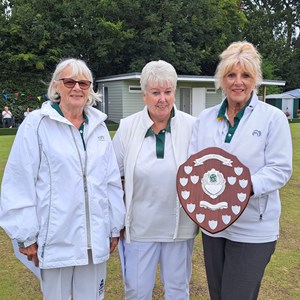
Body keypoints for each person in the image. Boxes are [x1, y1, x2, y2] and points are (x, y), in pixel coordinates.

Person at [0, 58, 126, 300]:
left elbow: (110, 182)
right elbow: (19, 180)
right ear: (56, 86)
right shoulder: (36, 124)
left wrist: (113, 227)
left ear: (90, 89)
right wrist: (25, 234)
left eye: (83, 83)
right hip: (56, 240)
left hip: (94, 242)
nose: (77, 88)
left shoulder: (98, 128)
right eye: (69, 82)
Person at [188, 41, 293, 300]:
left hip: (253, 227)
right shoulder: (205, 119)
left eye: (245, 75)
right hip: (214, 225)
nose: (238, 82)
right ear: (221, 79)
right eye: (231, 75)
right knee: (218, 294)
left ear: (255, 80)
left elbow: (280, 169)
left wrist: (241, 188)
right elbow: (193, 164)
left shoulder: (272, 118)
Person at [112, 60, 198, 300]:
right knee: (137, 292)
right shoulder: (128, 127)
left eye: (168, 92)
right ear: (144, 95)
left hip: (179, 228)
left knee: (178, 291)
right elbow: (110, 175)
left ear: (174, 92)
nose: (163, 99)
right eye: (156, 92)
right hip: (139, 228)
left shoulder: (193, 126)